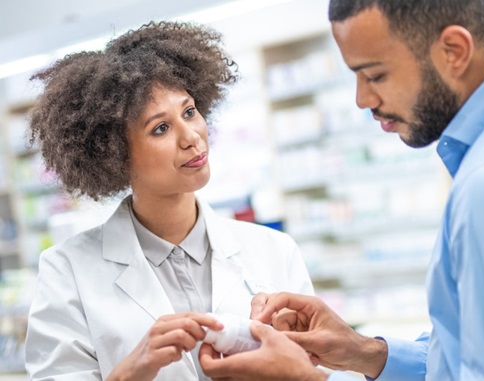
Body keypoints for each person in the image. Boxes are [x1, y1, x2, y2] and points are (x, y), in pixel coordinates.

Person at [199, 0, 484, 380]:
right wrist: (365, 352)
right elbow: (477, 358)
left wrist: (305, 377)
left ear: (455, 50)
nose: (362, 99)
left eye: (374, 75)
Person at [24, 21, 314, 381]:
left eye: (189, 111)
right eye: (160, 128)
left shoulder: (275, 251)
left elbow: (317, 367)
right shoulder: (66, 271)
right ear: (114, 154)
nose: (192, 136)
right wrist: (129, 372)